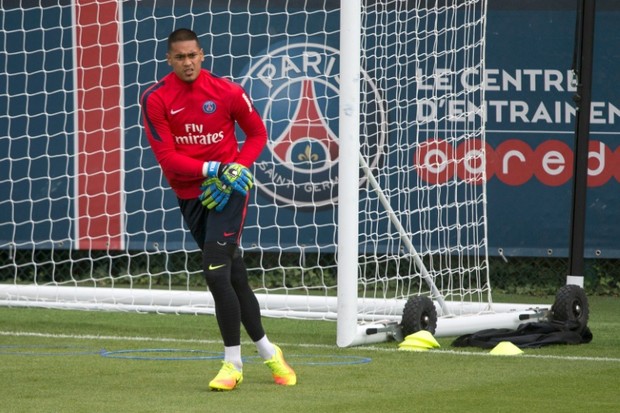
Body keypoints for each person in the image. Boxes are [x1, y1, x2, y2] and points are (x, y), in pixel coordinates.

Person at [140, 28, 296, 391]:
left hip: (229, 193)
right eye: (180, 57)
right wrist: (214, 169)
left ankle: (232, 363)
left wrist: (236, 168)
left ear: (202, 54)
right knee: (233, 276)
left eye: (192, 55)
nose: (187, 62)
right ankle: (271, 352)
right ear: (169, 60)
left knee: (214, 273)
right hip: (191, 193)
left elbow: (257, 134)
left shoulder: (226, 91)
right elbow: (168, 159)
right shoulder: (156, 98)